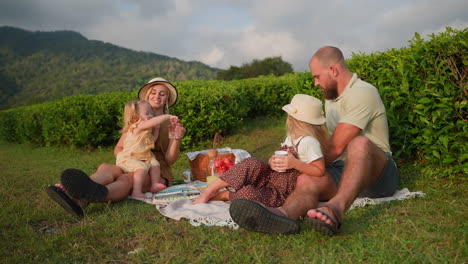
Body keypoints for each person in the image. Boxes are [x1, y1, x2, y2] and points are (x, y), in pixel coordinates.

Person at [229, 46, 399, 236]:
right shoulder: (331, 99)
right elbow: (324, 145)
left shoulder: (362, 92)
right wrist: (298, 168)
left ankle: (334, 210)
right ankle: (283, 216)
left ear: (333, 70)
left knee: (358, 144)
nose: (316, 83)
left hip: (377, 172)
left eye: (317, 76)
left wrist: (299, 166)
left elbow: (335, 147)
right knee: (306, 179)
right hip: (342, 168)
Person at [46, 77, 185, 218]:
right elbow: (119, 147)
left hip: (155, 169)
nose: (157, 96)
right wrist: (127, 158)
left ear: (167, 98)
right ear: (147, 95)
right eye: (153, 92)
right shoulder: (137, 120)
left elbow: (169, 161)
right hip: (132, 159)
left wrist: (176, 140)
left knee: (128, 179)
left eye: (162, 94)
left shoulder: (170, 123)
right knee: (106, 167)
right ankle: (74, 192)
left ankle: (81, 195)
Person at [193, 94, 336, 209]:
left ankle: (225, 195)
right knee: (251, 163)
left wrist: (295, 163)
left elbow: (319, 170)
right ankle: (211, 190)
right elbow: (278, 160)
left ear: (294, 120)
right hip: (270, 177)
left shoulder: (309, 142)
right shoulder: (292, 137)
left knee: (248, 194)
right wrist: (271, 161)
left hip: (282, 192)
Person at [117, 99, 179, 198]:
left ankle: (154, 184)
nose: (151, 116)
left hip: (144, 157)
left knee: (155, 164)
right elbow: (154, 121)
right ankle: (136, 192)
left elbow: (152, 140)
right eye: (147, 114)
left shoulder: (146, 129)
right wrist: (167, 116)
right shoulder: (138, 125)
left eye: (151, 113)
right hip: (130, 156)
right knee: (141, 168)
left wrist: (157, 129)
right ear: (135, 116)